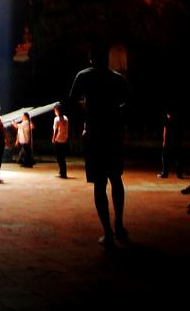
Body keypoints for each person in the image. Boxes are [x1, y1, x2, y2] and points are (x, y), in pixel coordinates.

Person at [69, 42, 129, 247]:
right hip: (113, 134)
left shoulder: (84, 76)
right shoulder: (118, 79)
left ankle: (108, 232)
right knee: (116, 179)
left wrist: (87, 112)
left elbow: (72, 102)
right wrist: (116, 114)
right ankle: (119, 224)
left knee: (99, 184)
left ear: (91, 58)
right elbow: (130, 103)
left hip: (94, 134)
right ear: (107, 58)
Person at [52, 103, 69, 179]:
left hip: (58, 139)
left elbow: (55, 130)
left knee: (59, 157)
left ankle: (63, 173)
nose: (55, 112)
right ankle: (62, 171)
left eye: (55, 110)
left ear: (57, 110)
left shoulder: (56, 119)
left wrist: (53, 138)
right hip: (64, 139)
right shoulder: (66, 118)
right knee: (62, 157)